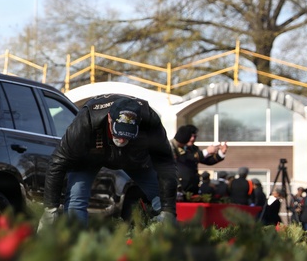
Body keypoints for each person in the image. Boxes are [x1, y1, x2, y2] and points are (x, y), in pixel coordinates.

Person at [40, 93, 178, 227]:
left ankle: (166, 237)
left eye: (128, 134)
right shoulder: (87, 120)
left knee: (162, 198)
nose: (122, 139)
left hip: (135, 157)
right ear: (110, 118)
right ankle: (76, 241)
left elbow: (165, 164)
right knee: (76, 198)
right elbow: (57, 162)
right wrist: (50, 208)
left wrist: (168, 210)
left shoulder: (150, 120)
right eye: (118, 132)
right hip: (89, 156)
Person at [170, 124, 227, 196]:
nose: (192, 139)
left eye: (195, 136)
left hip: (193, 186)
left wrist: (221, 153)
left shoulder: (194, 148)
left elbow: (207, 160)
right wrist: (207, 151)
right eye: (191, 136)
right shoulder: (175, 147)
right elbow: (188, 157)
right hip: (180, 185)